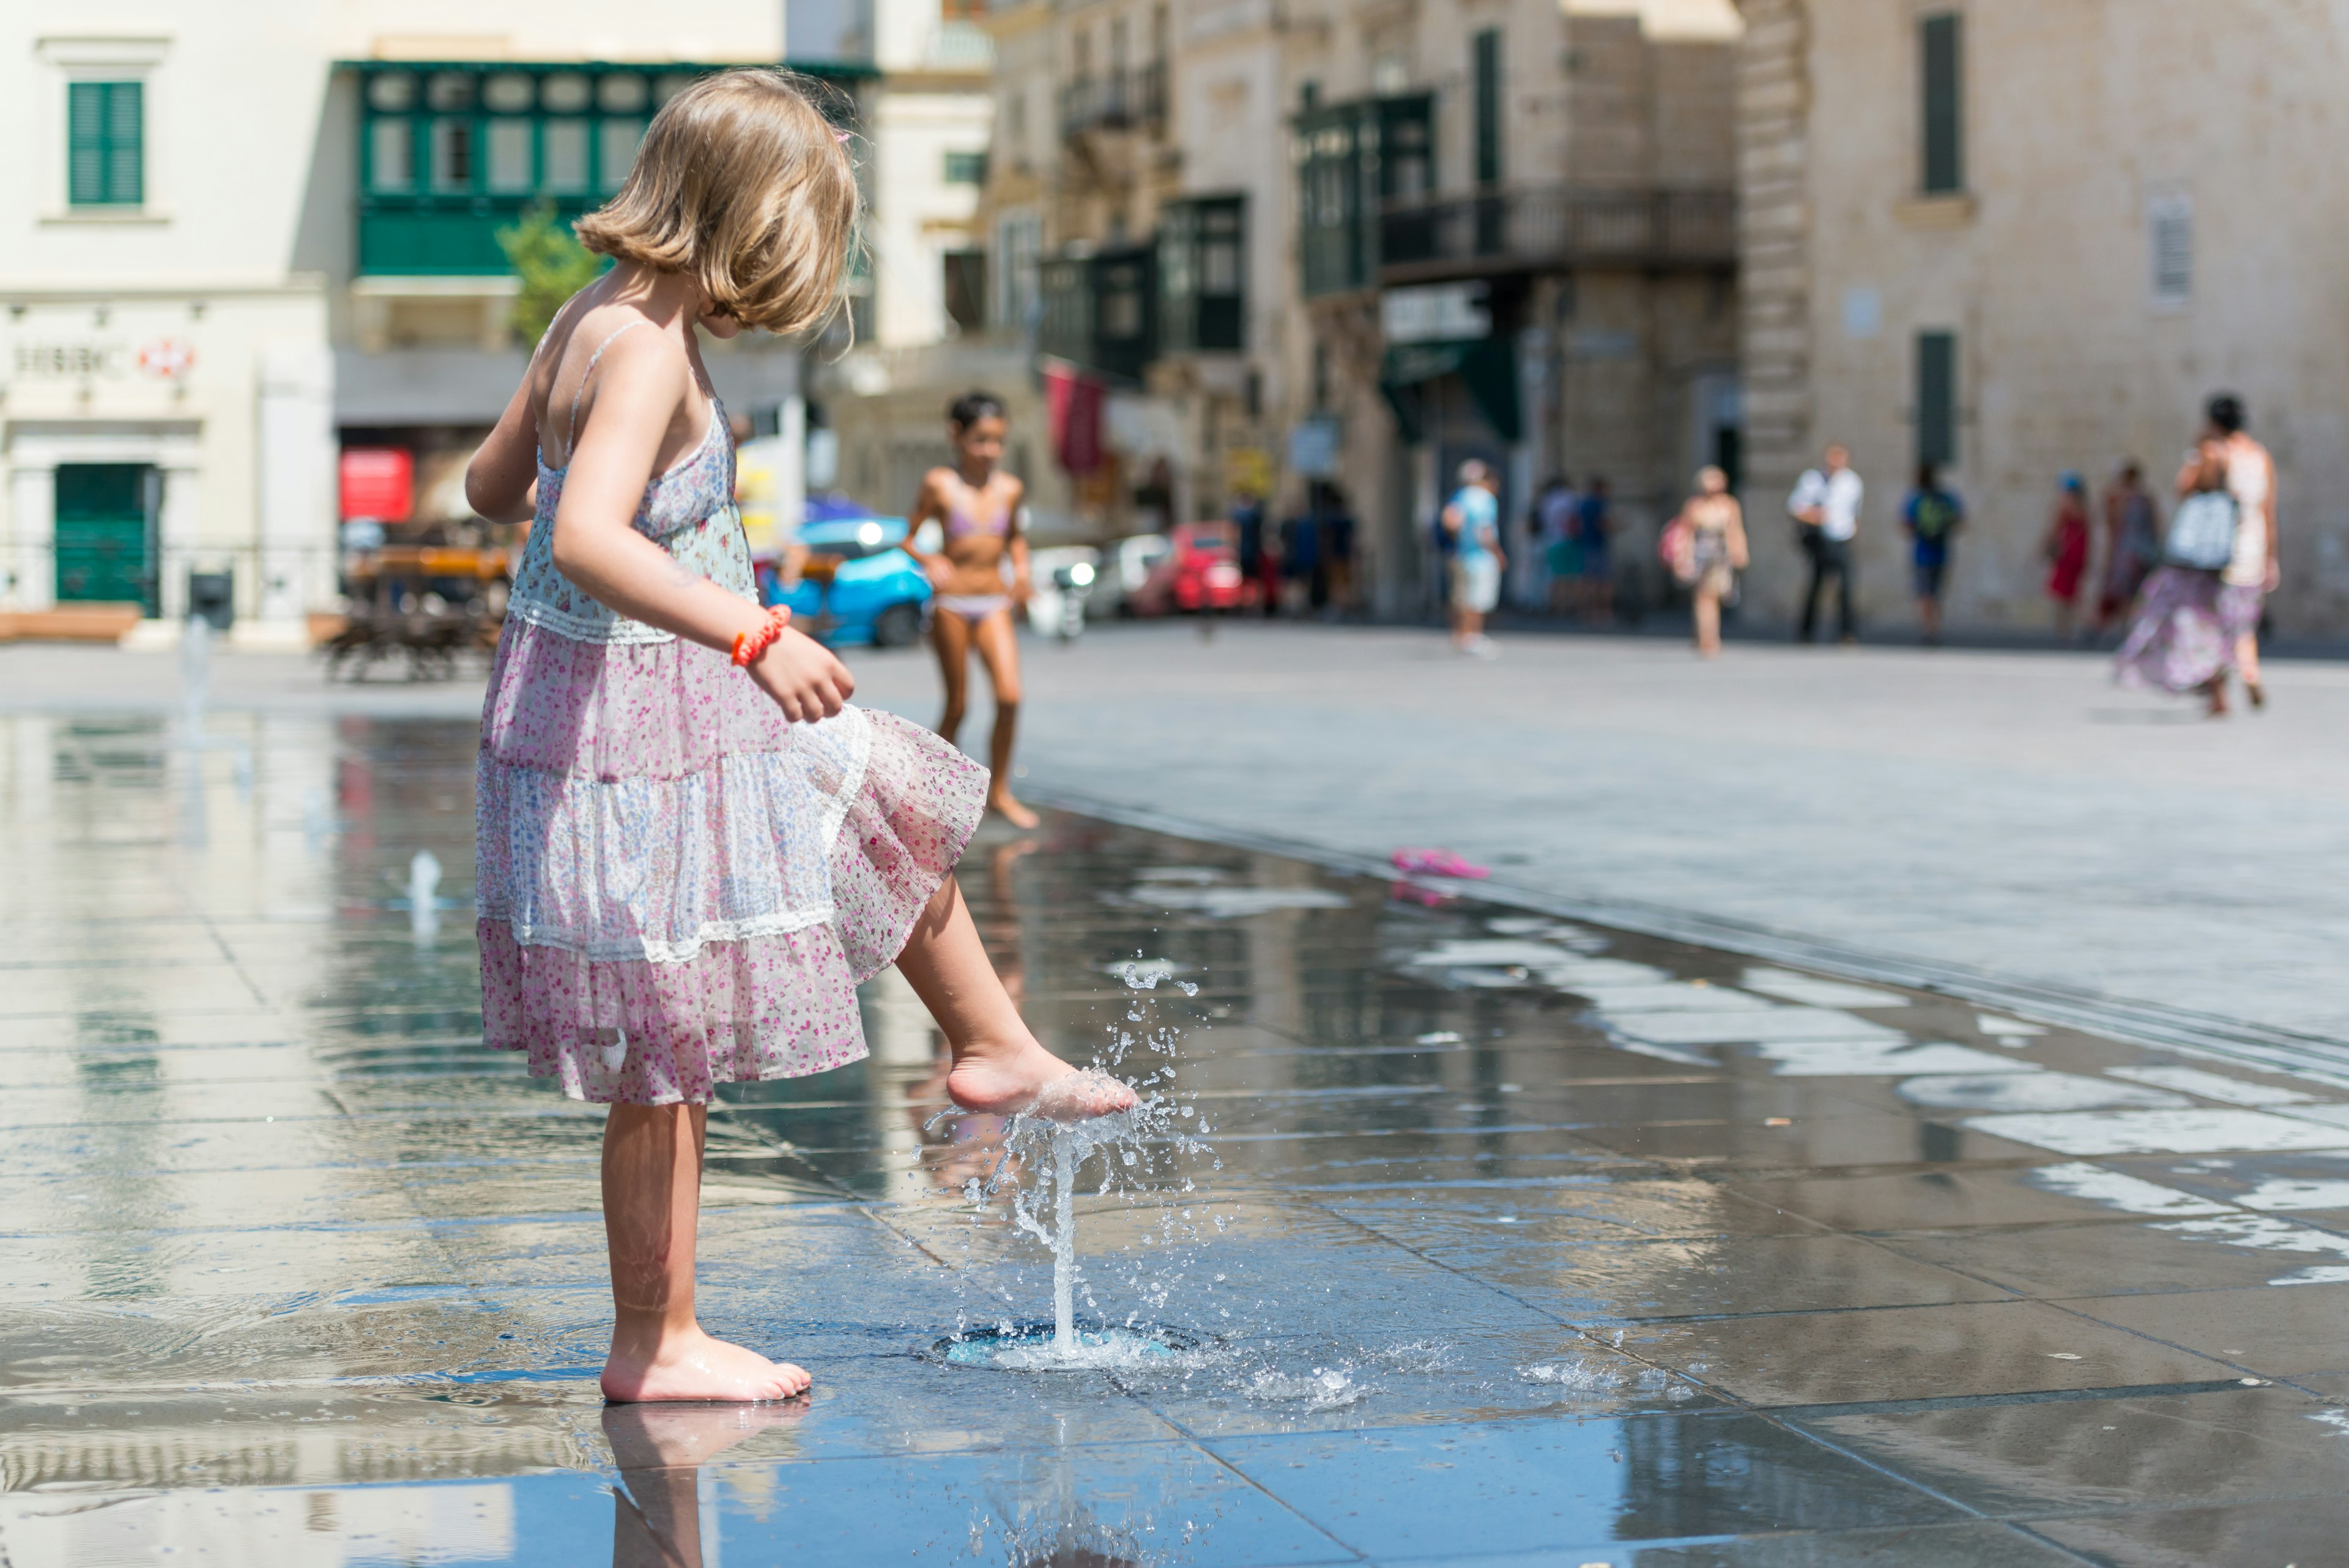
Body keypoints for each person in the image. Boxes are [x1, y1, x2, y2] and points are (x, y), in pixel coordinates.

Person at [460, 70, 1134, 1406]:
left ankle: (992, 1046)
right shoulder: (648, 348)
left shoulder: (594, 320)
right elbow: (587, 535)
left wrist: (579, 437)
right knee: (667, 1047)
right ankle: (656, 1341)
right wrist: (753, 631)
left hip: (616, 718)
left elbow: (495, 490)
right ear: (750, 222)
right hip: (637, 730)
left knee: (879, 801)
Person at [904, 392, 1041, 827]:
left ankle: (999, 791)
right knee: (958, 704)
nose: (990, 451)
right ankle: (929, 794)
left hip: (993, 601)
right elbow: (907, 536)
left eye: (998, 441)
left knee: (1009, 696)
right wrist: (929, 559)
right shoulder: (940, 484)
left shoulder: (1010, 489)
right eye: (980, 440)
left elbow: (1016, 537)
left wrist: (1022, 570)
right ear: (956, 436)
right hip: (952, 604)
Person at [2209, 395, 2279, 710]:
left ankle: (2220, 694)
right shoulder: (2261, 457)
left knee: (2218, 624)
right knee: (2244, 623)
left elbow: (2191, 492)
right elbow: (2269, 511)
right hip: (2255, 551)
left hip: (2223, 554)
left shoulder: (2218, 454)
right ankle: (2249, 673)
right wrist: (2271, 558)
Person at [1788, 444, 1863, 643]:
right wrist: (1815, 516)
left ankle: (1847, 632)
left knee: (1846, 587)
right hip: (1821, 538)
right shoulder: (1812, 479)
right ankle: (1807, 631)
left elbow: (1855, 511)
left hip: (1842, 538)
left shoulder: (1852, 482)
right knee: (1817, 585)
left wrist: (1853, 529)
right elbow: (1795, 508)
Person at [1673, 465, 1748, 658]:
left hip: (1721, 556)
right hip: (1700, 555)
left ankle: (1705, 634)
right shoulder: (1694, 506)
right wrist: (1682, 558)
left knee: (1717, 596)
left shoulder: (1730, 505)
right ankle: (1709, 639)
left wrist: (1740, 551)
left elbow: (1735, 531)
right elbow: (1686, 533)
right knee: (1703, 597)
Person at [1441, 459, 1505, 655]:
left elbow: (1449, 521)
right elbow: (1486, 530)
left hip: (1462, 554)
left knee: (1461, 598)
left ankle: (1460, 635)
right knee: (1478, 600)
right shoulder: (1485, 499)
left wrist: (1458, 539)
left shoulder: (1461, 496)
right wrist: (1498, 553)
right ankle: (1473, 636)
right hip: (1481, 557)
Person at [2093, 461, 2161, 639]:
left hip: (2125, 551)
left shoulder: (2118, 498)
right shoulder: (2144, 498)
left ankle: (2126, 628)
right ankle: (2130, 628)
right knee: (2134, 593)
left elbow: (2113, 528)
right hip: (2142, 550)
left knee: (2124, 593)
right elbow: (2155, 527)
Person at [1902, 463, 1964, 646]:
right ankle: (1934, 628)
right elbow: (1960, 520)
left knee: (1924, 594)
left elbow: (1906, 523)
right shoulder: (1946, 497)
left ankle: (1929, 629)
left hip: (1922, 551)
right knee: (1936, 594)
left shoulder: (1916, 498)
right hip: (1942, 551)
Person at [2042, 472, 2093, 641]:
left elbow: (2055, 529)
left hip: (2067, 554)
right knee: (2073, 593)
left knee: (2061, 593)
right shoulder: (2084, 507)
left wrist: (2045, 547)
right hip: (2080, 553)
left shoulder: (2065, 505)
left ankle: (2064, 630)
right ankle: (2075, 628)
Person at [1537, 475, 1581, 614]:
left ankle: (1557, 605)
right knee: (1570, 576)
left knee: (1555, 575)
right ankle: (1568, 604)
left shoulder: (1546, 501)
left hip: (1551, 540)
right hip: (1567, 539)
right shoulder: (1569, 499)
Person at [1575, 476, 1614, 622]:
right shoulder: (1599, 504)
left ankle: (1585, 611)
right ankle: (1602, 613)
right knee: (1603, 583)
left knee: (1587, 581)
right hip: (1597, 545)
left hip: (1586, 544)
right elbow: (1603, 524)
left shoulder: (1584, 504)